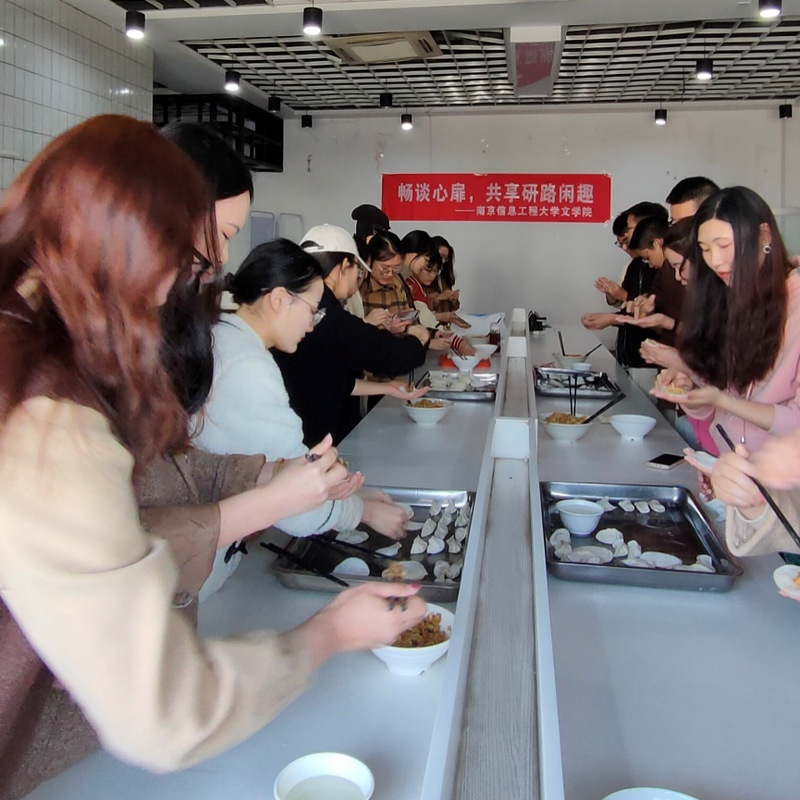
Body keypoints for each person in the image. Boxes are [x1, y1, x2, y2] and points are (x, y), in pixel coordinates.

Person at [0, 116, 425, 796]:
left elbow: (164, 470)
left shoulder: (42, 345)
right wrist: (326, 634)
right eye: (200, 252)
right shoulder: (49, 418)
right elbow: (167, 715)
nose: (205, 275)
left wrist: (267, 478)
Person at [194, 237, 413, 538]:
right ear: (279, 299)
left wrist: (351, 496)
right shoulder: (248, 367)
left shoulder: (224, 337)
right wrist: (365, 512)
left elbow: (285, 472)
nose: (311, 325)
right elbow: (295, 503)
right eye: (313, 311)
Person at [653, 186, 800, 456]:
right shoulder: (728, 296)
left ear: (764, 236)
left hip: (777, 475)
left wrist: (725, 401)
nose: (715, 261)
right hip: (727, 465)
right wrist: (692, 392)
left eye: (723, 245)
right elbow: (719, 404)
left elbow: (794, 420)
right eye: (704, 249)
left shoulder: (795, 305)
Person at [272, 225, 431, 446]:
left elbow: (326, 376)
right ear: (344, 266)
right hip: (311, 439)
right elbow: (388, 355)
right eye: (357, 270)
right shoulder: (325, 313)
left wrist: (386, 387)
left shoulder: (294, 304)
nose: (358, 279)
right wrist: (416, 336)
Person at [428, 235, 464, 320]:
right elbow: (422, 308)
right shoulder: (423, 276)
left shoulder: (443, 277)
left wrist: (453, 299)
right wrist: (439, 297)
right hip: (431, 324)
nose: (443, 261)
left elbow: (452, 309)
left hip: (445, 324)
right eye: (441, 256)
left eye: (446, 258)